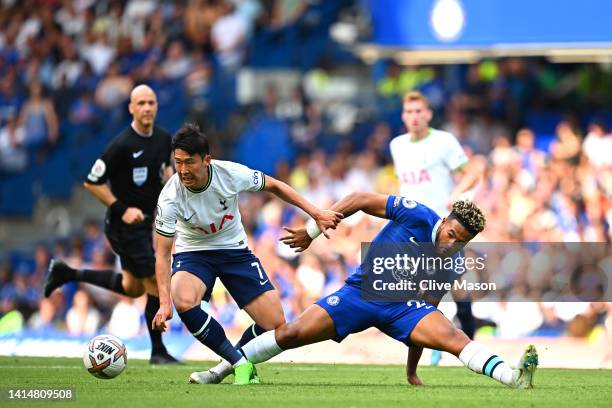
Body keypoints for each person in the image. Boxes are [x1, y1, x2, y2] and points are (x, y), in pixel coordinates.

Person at [219, 194, 538, 389]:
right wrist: (314, 231)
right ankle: (221, 369)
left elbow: (428, 312)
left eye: (461, 242)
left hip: (404, 309)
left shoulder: (450, 263)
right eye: (451, 234)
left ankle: (514, 378)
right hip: (360, 294)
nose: (452, 244)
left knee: (455, 338)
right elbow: (359, 198)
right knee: (290, 334)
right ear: (443, 222)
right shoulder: (416, 214)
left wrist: (412, 370)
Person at [151, 124, 342, 385]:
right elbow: (162, 254)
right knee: (183, 299)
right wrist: (164, 303)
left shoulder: (230, 173)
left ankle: (222, 368)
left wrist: (316, 213)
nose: (182, 170)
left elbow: (274, 186)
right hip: (194, 252)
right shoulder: (170, 196)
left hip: (234, 250)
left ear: (207, 160)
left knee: (276, 324)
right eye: (178, 162)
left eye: (189, 162)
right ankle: (240, 363)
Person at [44, 84, 178, 364]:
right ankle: (158, 351)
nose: (147, 108)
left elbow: (165, 170)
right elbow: (92, 183)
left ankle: (67, 273)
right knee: (155, 279)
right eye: (141, 103)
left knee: (133, 288)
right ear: (130, 108)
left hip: (144, 223)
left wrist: (169, 179)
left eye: (151, 102)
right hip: (122, 225)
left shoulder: (164, 139)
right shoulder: (121, 145)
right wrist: (123, 208)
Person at [389, 91, 480, 365]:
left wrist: (457, 193)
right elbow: (406, 188)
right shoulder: (397, 145)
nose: (414, 117)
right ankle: (432, 347)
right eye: (409, 112)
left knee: (458, 292)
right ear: (403, 116)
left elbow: (473, 172)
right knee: (419, 296)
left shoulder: (444, 141)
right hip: (410, 233)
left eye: (419, 111)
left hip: (442, 232)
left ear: (428, 114)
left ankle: (472, 349)